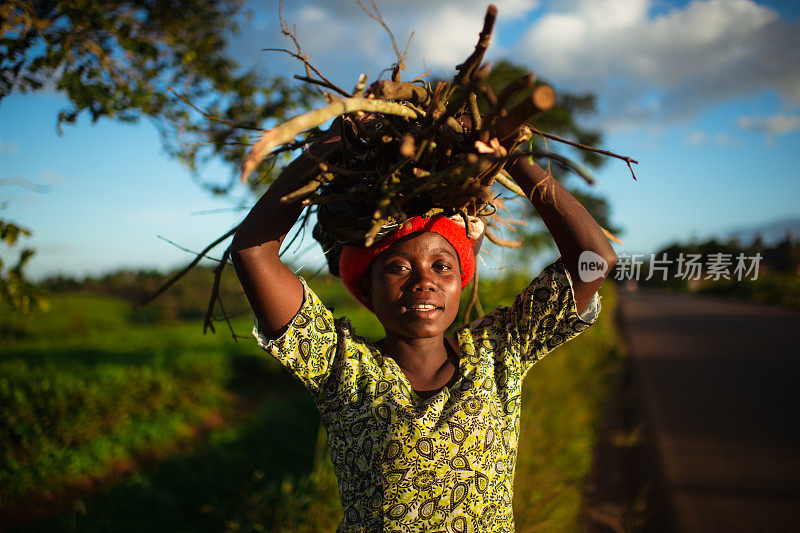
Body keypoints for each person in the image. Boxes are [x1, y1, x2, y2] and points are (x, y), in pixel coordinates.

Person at [231, 123, 617, 531]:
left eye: (442, 266)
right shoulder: (340, 368)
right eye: (398, 267)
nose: (424, 282)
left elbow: (593, 259)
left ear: (460, 279)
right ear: (367, 286)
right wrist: (329, 146)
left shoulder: (499, 352)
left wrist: (514, 159)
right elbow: (253, 253)